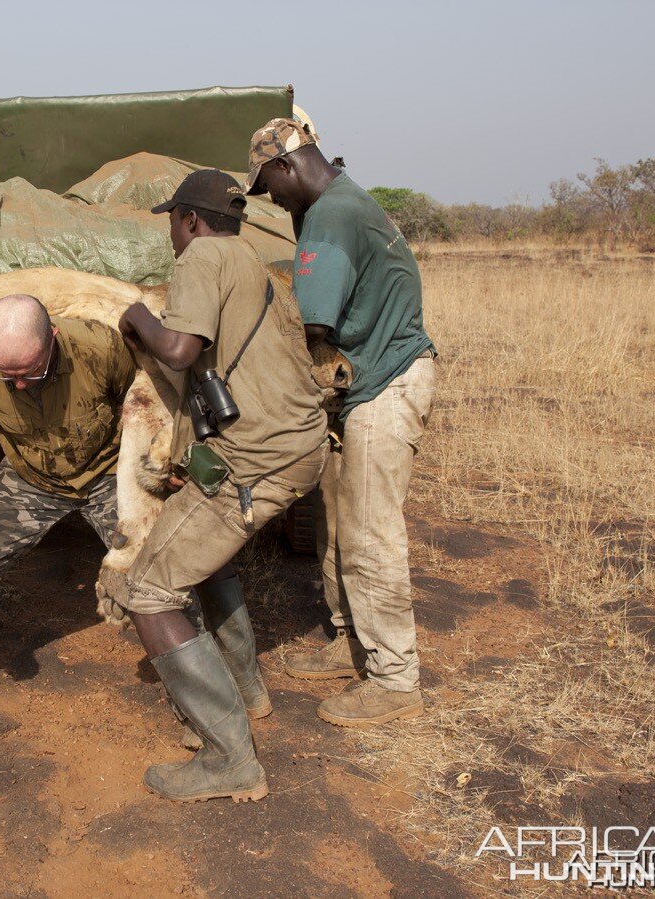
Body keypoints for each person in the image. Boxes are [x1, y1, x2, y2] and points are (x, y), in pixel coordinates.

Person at [116, 169, 329, 802]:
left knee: (149, 590)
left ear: (188, 220)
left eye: (172, 223)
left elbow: (180, 350)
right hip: (297, 448)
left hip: (256, 460)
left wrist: (136, 318)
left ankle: (228, 756)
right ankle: (247, 688)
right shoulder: (255, 263)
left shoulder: (202, 255)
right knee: (205, 564)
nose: (173, 236)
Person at [245, 118, 438, 728]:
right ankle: (350, 637)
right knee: (335, 517)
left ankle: (393, 677)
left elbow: (315, 330)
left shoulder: (329, 215)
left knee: (369, 532)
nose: (271, 200)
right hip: (367, 382)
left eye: (268, 186)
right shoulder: (349, 200)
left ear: (287, 166)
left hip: (383, 386)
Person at [0, 294, 137, 690]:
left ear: (53, 337)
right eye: (8, 376)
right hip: (31, 481)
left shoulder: (101, 348)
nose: (20, 384)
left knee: (152, 573)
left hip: (108, 474)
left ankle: (192, 680)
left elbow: (140, 406)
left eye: (30, 371)